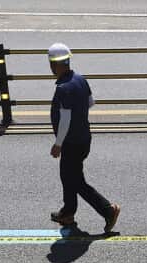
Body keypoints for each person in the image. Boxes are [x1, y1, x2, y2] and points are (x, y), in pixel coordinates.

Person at [48, 43, 121, 235]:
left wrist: (58, 144)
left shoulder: (63, 88)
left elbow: (65, 119)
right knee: (68, 176)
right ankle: (67, 212)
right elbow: (90, 103)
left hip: (71, 142)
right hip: (84, 138)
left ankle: (108, 210)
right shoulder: (80, 79)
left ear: (54, 65)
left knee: (75, 181)